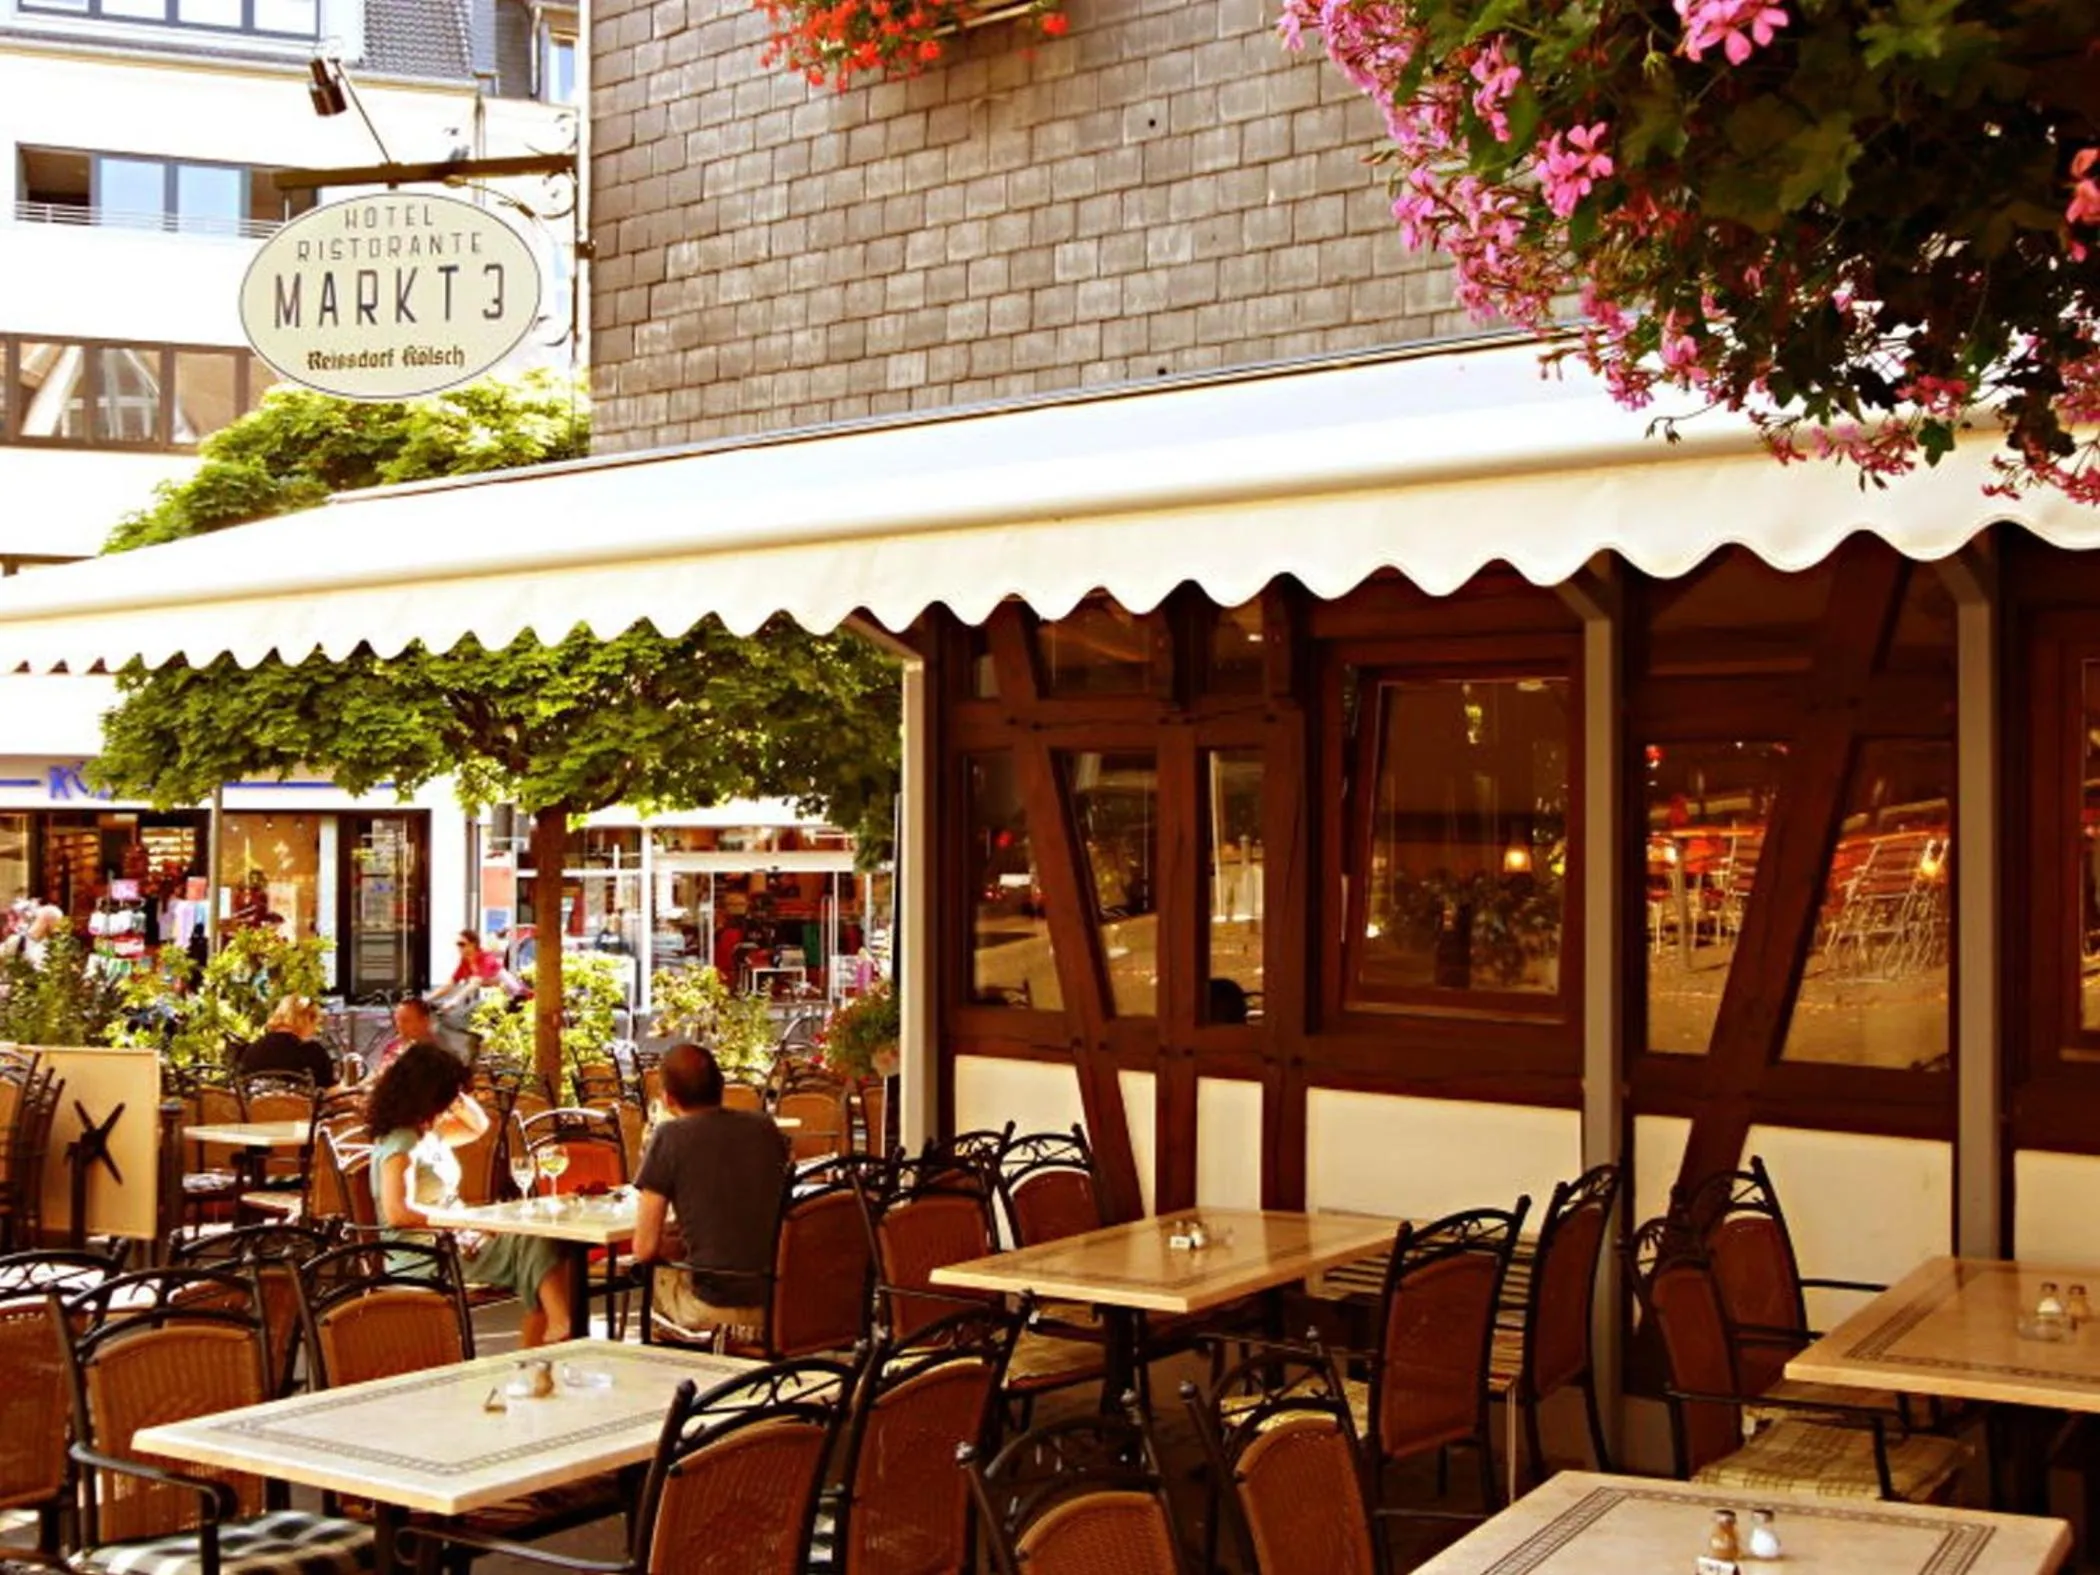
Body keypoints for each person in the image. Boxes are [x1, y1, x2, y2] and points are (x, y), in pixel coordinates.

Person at [366, 1042, 572, 1347]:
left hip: (456, 1241)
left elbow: (479, 1126)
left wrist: (458, 1092)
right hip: (427, 1256)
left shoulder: (428, 1133)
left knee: (544, 1245)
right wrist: (463, 1222)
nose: (451, 1104)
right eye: (447, 1096)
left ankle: (546, 1340)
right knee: (537, 1243)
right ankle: (555, 1330)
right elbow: (398, 1212)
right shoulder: (402, 1143)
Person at [632, 1042, 791, 1341]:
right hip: (777, 1302)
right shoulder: (764, 1128)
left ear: (668, 1099)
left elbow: (644, 1248)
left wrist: (680, 1247)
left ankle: (674, 1380)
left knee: (657, 1280)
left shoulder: (670, 1137)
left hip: (713, 1309)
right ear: (721, 1086)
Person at [236, 995, 337, 1089]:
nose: (314, 1030)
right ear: (306, 1019)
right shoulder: (312, 1052)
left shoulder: (251, 1051)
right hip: (299, 1108)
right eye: (314, 1023)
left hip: (257, 1107)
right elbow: (331, 1094)